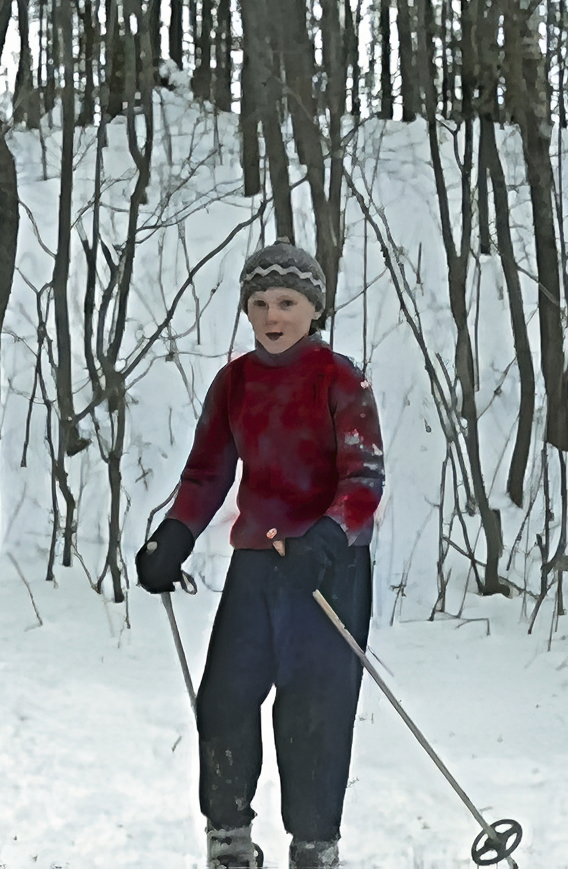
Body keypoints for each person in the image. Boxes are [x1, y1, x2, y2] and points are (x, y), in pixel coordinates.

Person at [136, 241, 384, 869]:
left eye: (287, 302)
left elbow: (363, 479)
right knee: (224, 698)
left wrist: (327, 537)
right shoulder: (235, 382)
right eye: (260, 303)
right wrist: (174, 536)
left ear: (313, 309)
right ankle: (229, 842)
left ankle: (315, 847)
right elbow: (205, 475)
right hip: (258, 565)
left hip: (328, 566)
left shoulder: (341, 379)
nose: (273, 315)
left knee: (313, 711)